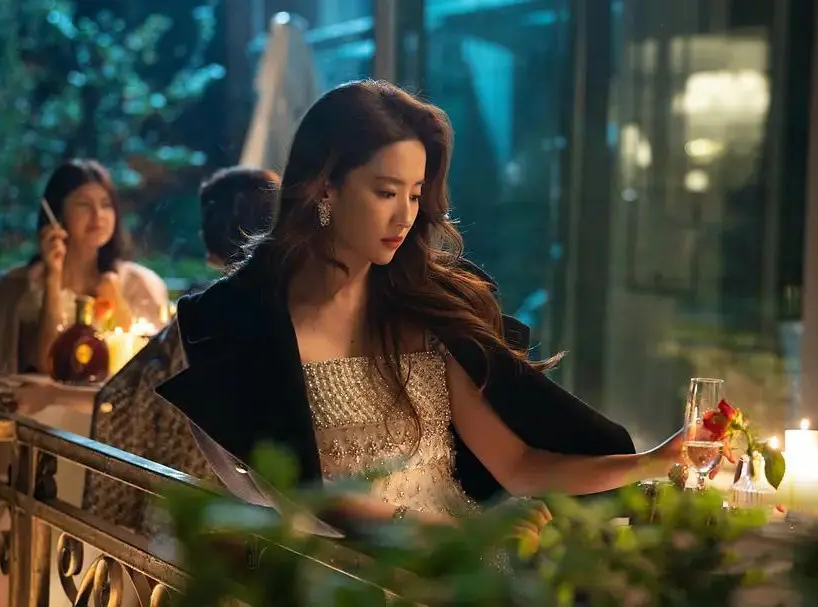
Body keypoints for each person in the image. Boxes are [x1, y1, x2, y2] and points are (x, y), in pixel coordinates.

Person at [157, 80, 688, 532]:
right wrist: (448, 535)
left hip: (465, 556)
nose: (406, 216)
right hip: (353, 569)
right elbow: (303, 496)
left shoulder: (424, 312)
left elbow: (519, 465)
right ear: (325, 187)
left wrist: (653, 460)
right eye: (386, 192)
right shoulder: (246, 324)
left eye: (415, 194)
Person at [83, 166, 279, 534]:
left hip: (196, 507)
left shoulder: (207, 313)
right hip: (269, 514)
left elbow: (138, 394)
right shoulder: (298, 306)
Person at [0, 159, 167, 401]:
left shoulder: (139, 283)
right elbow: (46, 363)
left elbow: (142, 369)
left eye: (106, 205)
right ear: (58, 214)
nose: (98, 215)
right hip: (38, 411)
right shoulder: (20, 287)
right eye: (84, 205)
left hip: (110, 413)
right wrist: (53, 278)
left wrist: (115, 298)